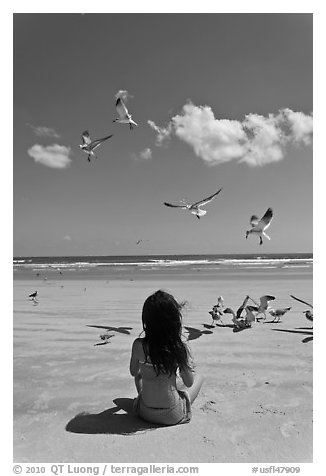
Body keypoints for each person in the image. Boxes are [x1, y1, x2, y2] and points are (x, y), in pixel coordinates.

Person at [129, 290, 204, 426]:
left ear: (146, 320)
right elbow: (189, 382)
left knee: (140, 375)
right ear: (174, 321)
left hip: (144, 412)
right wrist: (183, 366)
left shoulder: (138, 345)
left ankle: (148, 397)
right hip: (172, 414)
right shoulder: (178, 347)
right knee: (198, 377)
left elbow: (134, 372)